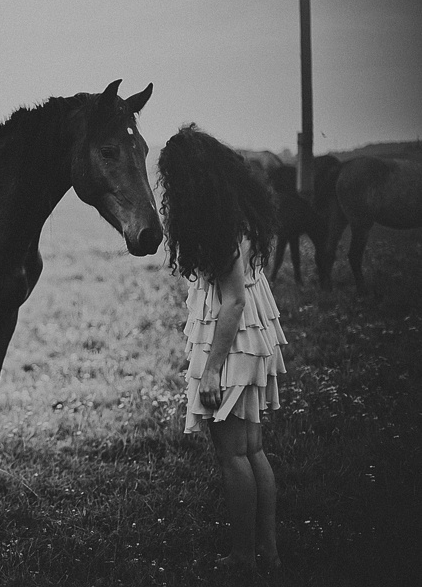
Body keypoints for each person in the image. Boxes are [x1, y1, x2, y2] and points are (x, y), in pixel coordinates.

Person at [157, 124, 286, 574]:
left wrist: (211, 370)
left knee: (233, 453)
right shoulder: (241, 212)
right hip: (251, 340)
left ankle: (243, 556)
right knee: (251, 449)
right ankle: (266, 551)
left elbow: (232, 302)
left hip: (231, 344)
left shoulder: (223, 225)